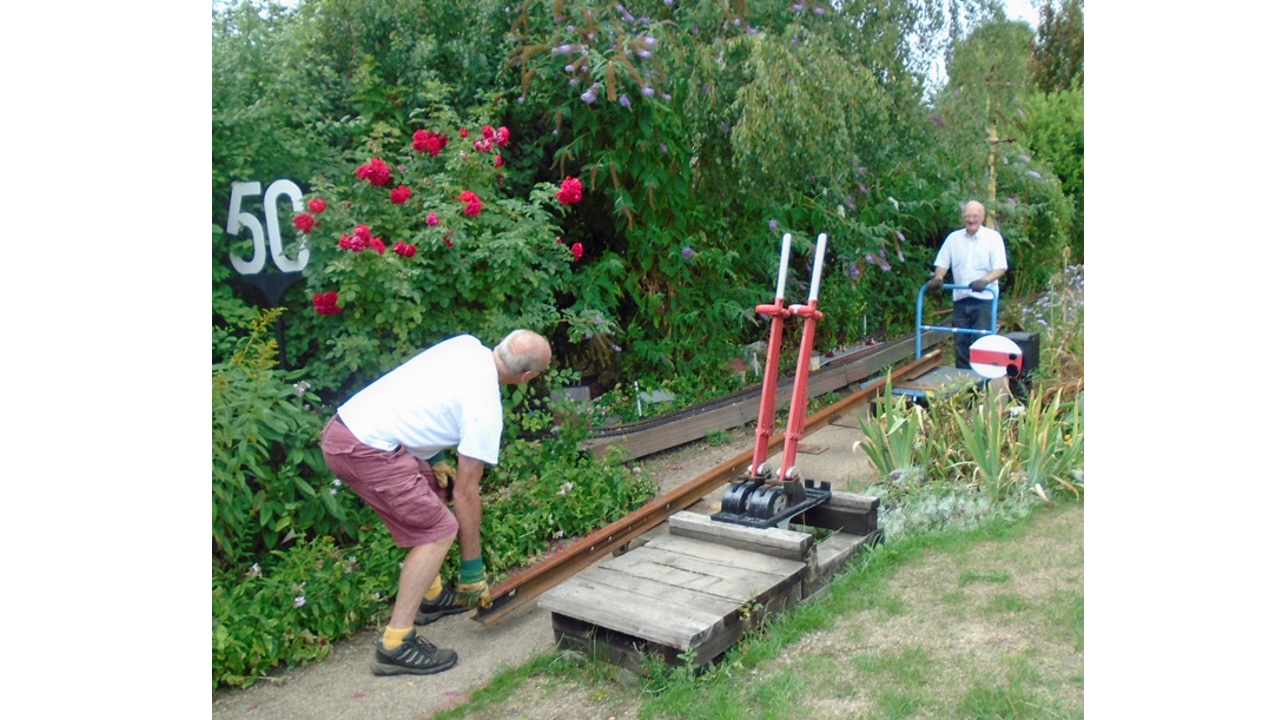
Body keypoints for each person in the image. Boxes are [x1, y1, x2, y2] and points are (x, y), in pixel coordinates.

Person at [320, 329, 552, 676]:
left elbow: (425, 391)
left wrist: (435, 454)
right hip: (364, 449)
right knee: (438, 530)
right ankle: (395, 643)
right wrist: (472, 570)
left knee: (431, 486)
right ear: (527, 377)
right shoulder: (485, 409)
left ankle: (431, 595)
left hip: (346, 430)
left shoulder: (465, 345)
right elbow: (466, 492)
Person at [926, 201, 1008, 369]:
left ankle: (982, 382)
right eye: (968, 216)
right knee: (961, 341)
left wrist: (985, 281)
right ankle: (963, 383)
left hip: (984, 300)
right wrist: (939, 277)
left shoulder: (993, 238)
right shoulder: (953, 239)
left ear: (982, 217)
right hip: (961, 299)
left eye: (975, 216)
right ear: (963, 218)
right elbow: (942, 262)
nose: (971, 220)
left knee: (982, 342)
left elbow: (1000, 267)